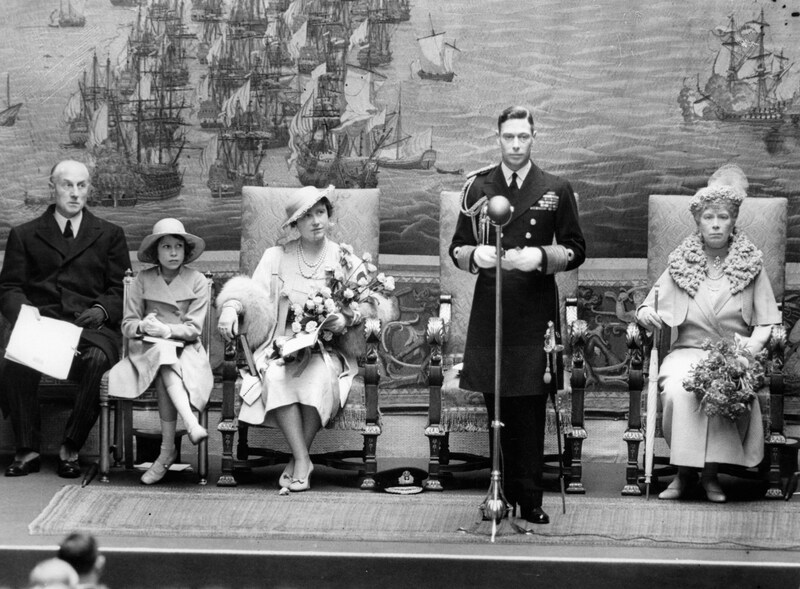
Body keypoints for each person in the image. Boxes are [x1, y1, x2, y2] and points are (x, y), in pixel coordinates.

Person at [449, 106, 586, 524]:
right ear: (498, 137)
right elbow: (456, 247)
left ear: (533, 137)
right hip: (493, 309)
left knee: (529, 406)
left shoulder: (555, 188)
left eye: (522, 137)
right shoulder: (478, 187)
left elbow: (577, 248)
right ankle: (500, 494)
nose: (514, 145)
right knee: (497, 406)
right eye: (508, 137)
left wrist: (540, 256)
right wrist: (478, 254)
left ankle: (531, 498)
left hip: (535, 311)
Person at [216, 185, 392, 493]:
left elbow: (375, 302)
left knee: (317, 379)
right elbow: (250, 295)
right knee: (276, 376)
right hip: (281, 345)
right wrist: (230, 306)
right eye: (306, 216)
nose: (315, 221)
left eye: (320, 213)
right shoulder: (276, 256)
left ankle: (299, 460)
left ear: (330, 217)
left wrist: (347, 318)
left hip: (327, 349)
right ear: (295, 225)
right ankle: (302, 458)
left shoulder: (345, 258)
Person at [636, 164, 780, 503]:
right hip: (687, 351)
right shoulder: (681, 262)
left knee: (724, 385)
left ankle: (711, 475)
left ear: (733, 221)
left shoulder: (751, 265)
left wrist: (751, 347)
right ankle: (684, 475)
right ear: (698, 222)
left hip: (733, 352)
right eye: (709, 218)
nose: (715, 224)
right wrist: (647, 315)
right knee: (678, 386)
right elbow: (646, 307)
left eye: (723, 217)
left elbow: (769, 322)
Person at [0, 159, 130, 479]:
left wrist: (102, 309)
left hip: (90, 331)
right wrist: (25, 312)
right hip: (42, 327)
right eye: (67, 185)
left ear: (89, 189)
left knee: (99, 358)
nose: (74, 193)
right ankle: (27, 449)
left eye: (81, 185)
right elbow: (9, 288)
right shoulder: (25, 235)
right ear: (53, 188)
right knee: (14, 359)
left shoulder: (110, 235)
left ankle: (70, 446)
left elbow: (122, 288)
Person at [108, 218, 213, 485]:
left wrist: (166, 331)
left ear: (186, 251)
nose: (174, 253)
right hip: (145, 349)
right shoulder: (141, 280)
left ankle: (166, 452)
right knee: (164, 355)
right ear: (156, 251)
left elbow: (193, 330)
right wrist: (143, 325)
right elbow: (128, 324)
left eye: (178, 246)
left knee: (168, 359)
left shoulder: (198, 281)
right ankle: (189, 425)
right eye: (166, 246)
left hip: (187, 350)